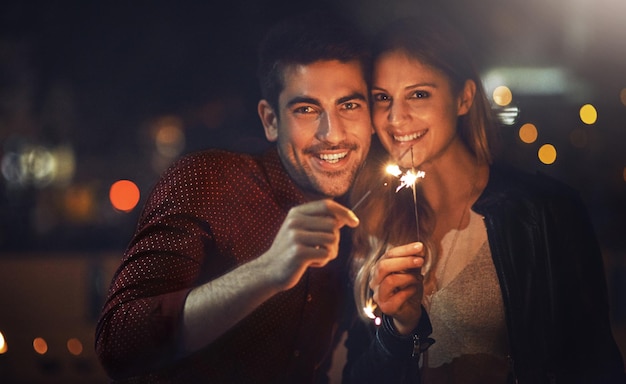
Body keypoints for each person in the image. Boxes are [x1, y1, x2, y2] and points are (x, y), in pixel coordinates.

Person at [342, 11, 626, 384]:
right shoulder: (373, 221)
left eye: (419, 94)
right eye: (382, 97)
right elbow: (355, 376)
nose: (396, 118)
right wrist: (397, 332)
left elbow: (595, 364)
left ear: (464, 98)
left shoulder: (543, 212)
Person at [95, 11, 373, 383]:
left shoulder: (367, 213)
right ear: (271, 121)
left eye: (349, 105)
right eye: (306, 109)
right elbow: (118, 343)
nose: (332, 133)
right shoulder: (207, 180)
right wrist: (267, 270)